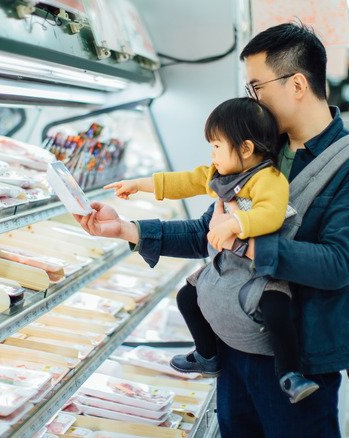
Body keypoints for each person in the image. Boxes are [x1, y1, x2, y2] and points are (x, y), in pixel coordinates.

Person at [75, 23, 349, 437]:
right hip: (233, 343)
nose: (252, 99)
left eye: (257, 87)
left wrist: (243, 239)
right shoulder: (259, 150)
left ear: (297, 84)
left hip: (299, 359)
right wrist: (126, 229)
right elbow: (206, 231)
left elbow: (339, 264)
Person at [104, 97, 319, 403]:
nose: (212, 153)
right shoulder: (222, 176)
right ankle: (207, 355)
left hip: (262, 269)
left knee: (276, 308)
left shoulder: (268, 179)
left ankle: (290, 373)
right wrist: (140, 184)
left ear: (245, 148)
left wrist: (234, 225)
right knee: (187, 297)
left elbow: (270, 215)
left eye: (217, 146)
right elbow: (186, 181)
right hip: (229, 266)